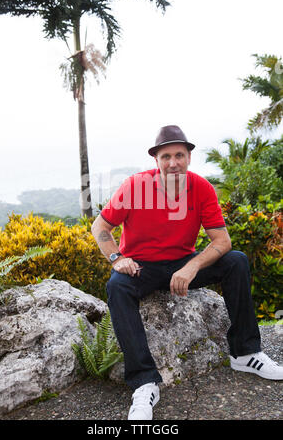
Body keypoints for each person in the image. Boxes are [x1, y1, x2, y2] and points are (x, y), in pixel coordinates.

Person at [91, 125, 283, 420]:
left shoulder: (201, 188)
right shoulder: (134, 186)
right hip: (143, 266)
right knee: (117, 286)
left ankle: (245, 353)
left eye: (179, 155)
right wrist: (117, 258)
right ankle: (144, 383)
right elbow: (100, 226)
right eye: (165, 156)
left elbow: (222, 241)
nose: (173, 162)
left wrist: (192, 266)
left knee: (237, 260)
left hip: (184, 262)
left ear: (189, 157)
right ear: (156, 160)